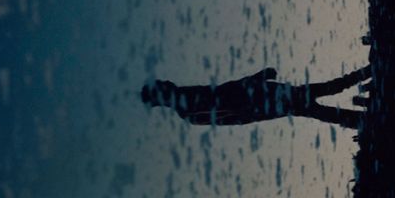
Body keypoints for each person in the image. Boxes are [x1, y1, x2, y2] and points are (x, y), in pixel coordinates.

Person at [141, 66, 370, 129]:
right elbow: (231, 105)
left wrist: (256, 80)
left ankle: (365, 118)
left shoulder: (188, 103)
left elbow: (226, 92)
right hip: (267, 101)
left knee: (321, 99)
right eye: (160, 86)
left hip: (268, 98)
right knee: (320, 99)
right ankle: (367, 76)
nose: (165, 82)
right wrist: (256, 80)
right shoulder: (189, 110)